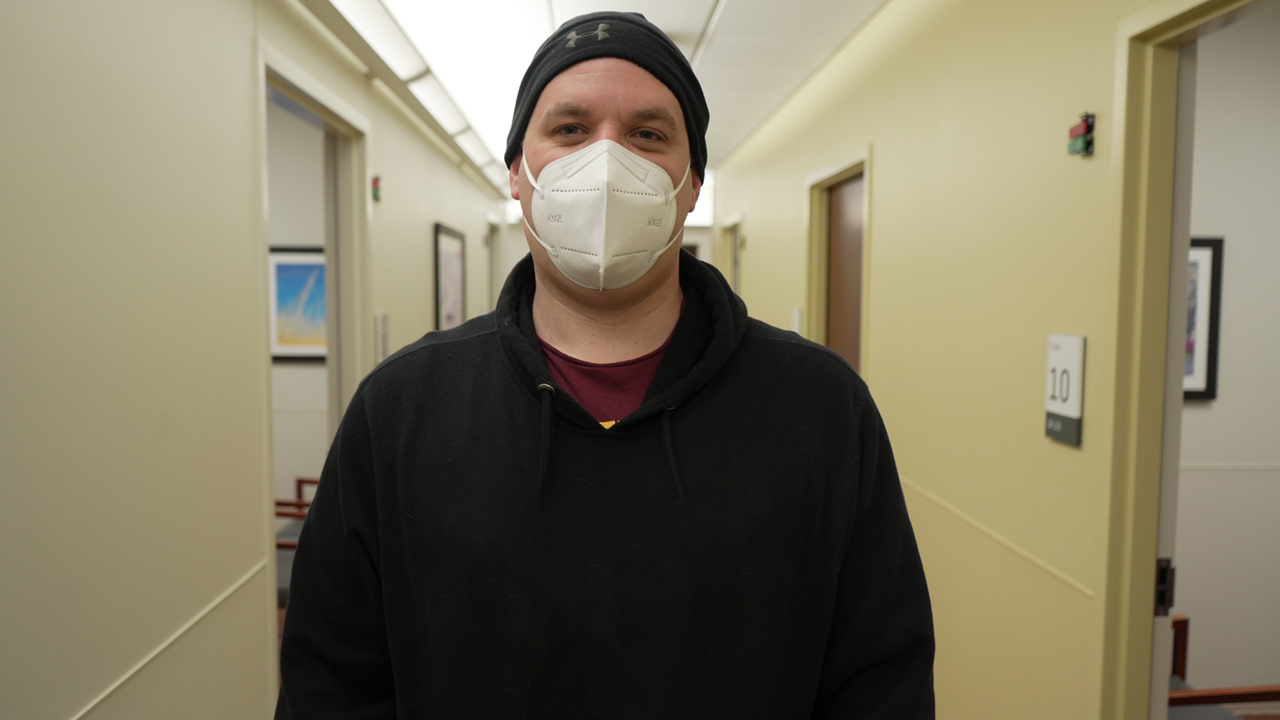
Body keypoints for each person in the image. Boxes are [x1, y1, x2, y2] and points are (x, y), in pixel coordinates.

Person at [277, 11, 934, 719]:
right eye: (570, 130)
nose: (607, 160)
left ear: (691, 186)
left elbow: (879, 684)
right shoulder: (402, 410)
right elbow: (333, 687)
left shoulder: (820, 409)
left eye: (648, 135)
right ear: (517, 176)